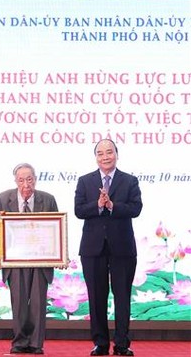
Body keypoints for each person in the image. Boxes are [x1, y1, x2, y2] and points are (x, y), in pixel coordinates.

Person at [75, 139, 142, 357]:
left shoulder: (129, 181)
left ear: (116, 154)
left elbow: (136, 208)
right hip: (92, 248)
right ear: (96, 157)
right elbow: (79, 210)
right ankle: (100, 343)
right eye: (101, 153)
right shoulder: (85, 181)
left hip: (122, 248)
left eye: (109, 152)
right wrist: (98, 205)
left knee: (122, 295)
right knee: (96, 297)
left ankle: (122, 344)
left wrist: (112, 206)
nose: (105, 157)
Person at [0, 163, 58, 355]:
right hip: (15, 261)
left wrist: (59, 255)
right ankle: (20, 342)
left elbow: (56, 230)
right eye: (21, 180)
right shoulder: (4, 199)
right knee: (19, 302)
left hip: (41, 260)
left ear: (36, 179)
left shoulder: (48, 200)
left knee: (38, 303)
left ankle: (36, 344)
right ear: (15, 181)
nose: (26, 184)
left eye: (29, 179)